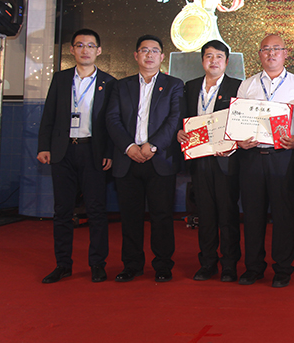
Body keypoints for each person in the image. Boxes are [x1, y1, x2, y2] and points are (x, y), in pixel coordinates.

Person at [37, 29, 115, 283]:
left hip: (93, 152)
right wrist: (44, 146)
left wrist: (109, 152)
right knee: (62, 211)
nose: (85, 50)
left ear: (98, 51)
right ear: (72, 50)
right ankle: (63, 264)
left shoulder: (109, 82)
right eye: (80, 45)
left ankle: (97, 264)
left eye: (90, 46)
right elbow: (49, 115)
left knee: (96, 210)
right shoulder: (60, 79)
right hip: (63, 151)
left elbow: (111, 123)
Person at [106, 35, 184, 283]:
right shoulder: (121, 86)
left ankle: (163, 265)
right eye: (144, 50)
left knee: (162, 216)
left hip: (160, 159)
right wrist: (129, 146)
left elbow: (174, 119)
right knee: (130, 217)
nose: (149, 55)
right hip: (127, 159)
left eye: (154, 51)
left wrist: (153, 145)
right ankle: (131, 265)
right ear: (136, 55)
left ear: (162, 56)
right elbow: (112, 119)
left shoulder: (174, 85)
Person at [235, 34, 294, 288]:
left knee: (284, 214)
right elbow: (238, 119)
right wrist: (239, 140)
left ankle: (283, 268)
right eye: (266, 49)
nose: (271, 53)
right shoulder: (247, 85)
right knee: (252, 214)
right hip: (252, 157)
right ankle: (253, 267)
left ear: (285, 53)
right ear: (259, 55)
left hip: (283, 157)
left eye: (277, 49)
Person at [176, 40, 242, 282]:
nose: (214, 61)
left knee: (227, 214)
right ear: (202, 60)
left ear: (227, 61)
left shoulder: (238, 86)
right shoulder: (191, 86)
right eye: (209, 56)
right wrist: (179, 132)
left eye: (219, 56)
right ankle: (207, 263)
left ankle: (229, 265)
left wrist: (232, 144)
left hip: (226, 161)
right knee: (204, 214)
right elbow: (183, 118)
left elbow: (241, 122)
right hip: (199, 158)